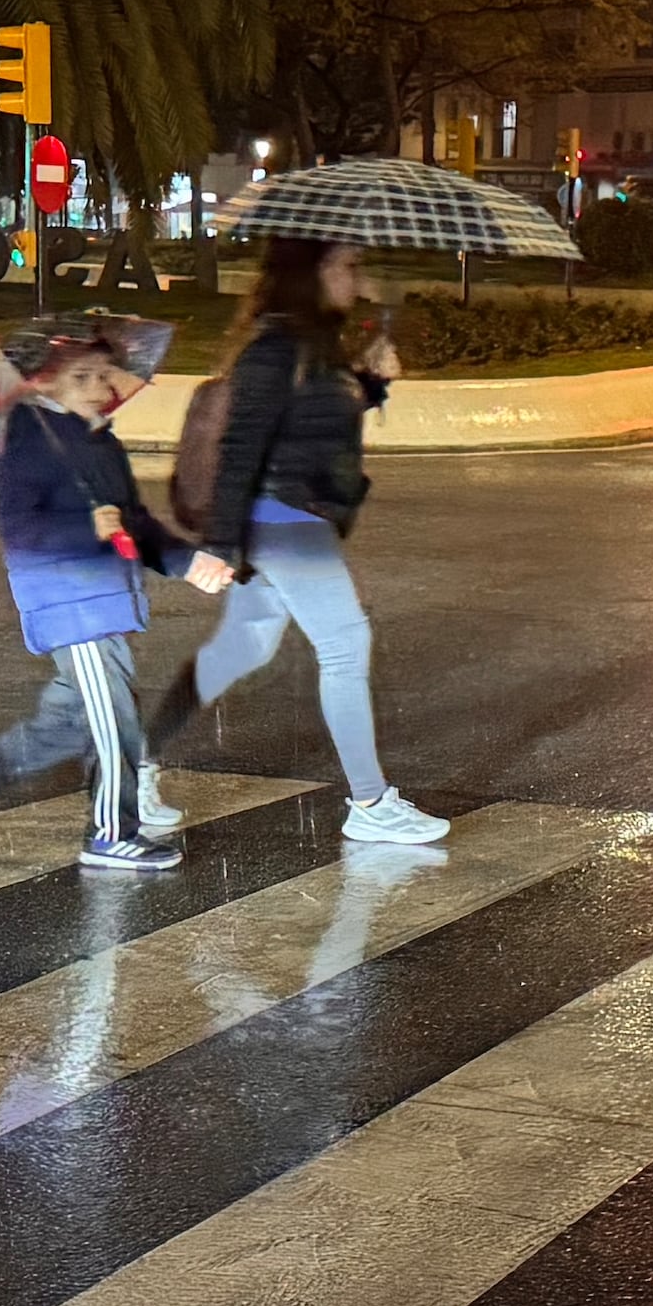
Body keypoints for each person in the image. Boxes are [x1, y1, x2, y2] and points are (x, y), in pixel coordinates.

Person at [171, 237, 447, 850]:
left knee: (243, 646)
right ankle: (370, 802)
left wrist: (371, 384)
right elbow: (240, 448)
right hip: (284, 520)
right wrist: (220, 542)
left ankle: (133, 762)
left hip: (296, 517)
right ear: (316, 271)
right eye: (348, 265)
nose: (358, 278)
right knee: (347, 644)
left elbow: (320, 426)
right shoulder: (274, 352)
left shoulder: (313, 349)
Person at [0, 319, 205, 876]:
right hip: (67, 597)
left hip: (107, 595)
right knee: (116, 720)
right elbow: (18, 529)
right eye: (82, 376)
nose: (101, 386)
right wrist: (87, 530)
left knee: (75, 717)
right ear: (44, 383)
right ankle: (111, 834)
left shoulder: (99, 439)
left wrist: (189, 562)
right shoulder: (26, 439)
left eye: (105, 374)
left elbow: (137, 522)